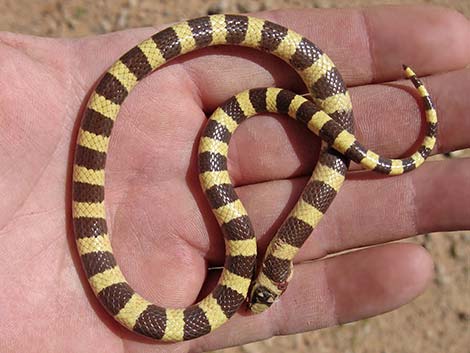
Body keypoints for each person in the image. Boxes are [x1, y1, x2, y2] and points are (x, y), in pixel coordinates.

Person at [0, 4, 468, 352]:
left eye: (259, 292)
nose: (253, 299)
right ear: (274, 274)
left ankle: (308, 123)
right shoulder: (250, 251)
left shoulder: (250, 252)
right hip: (245, 120)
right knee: (325, 143)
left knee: (317, 143)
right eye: (264, 291)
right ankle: (323, 129)